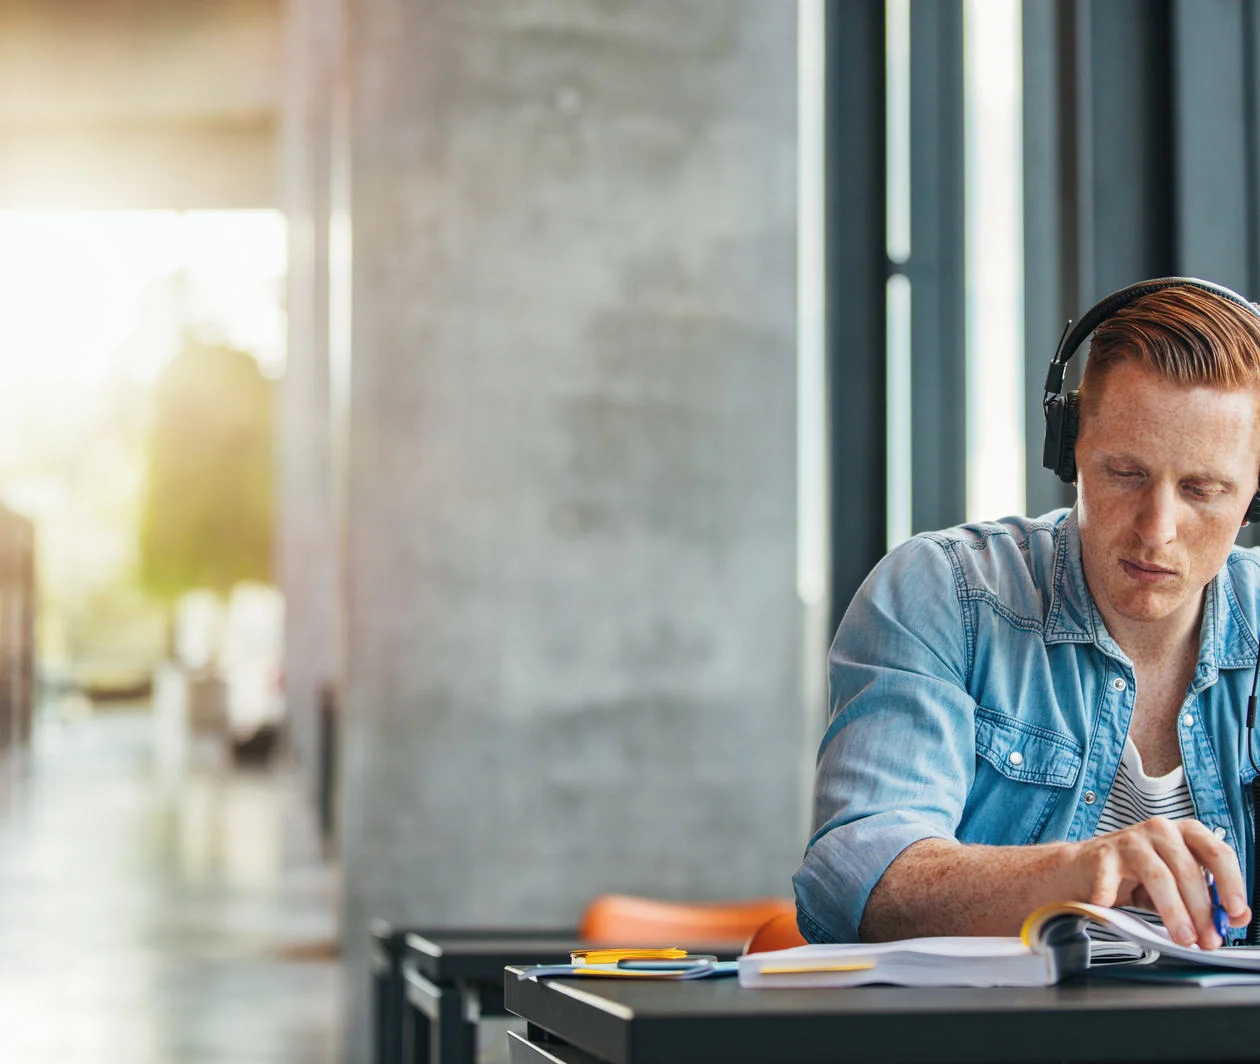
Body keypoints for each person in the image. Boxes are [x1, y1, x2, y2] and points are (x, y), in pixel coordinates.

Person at [793, 279, 1260, 951]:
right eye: (1125, 474)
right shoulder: (943, 594)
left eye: (1204, 490)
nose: (1158, 529)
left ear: (1253, 493)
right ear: (1068, 446)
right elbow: (856, 881)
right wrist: (1075, 873)